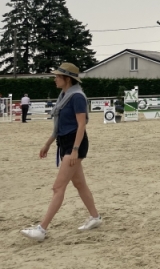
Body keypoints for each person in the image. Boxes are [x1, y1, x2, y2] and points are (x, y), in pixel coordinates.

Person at [21, 63, 102, 242]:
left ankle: (41, 229)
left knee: (58, 187)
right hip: (64, 143)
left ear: (67, 78)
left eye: (57, 76)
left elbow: (81, 125)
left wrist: (74, 150)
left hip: (75, 144)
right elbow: (60, 126)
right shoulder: (64, 95)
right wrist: (48, 144)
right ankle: (95, 217)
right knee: (80, 184)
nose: (54, 79)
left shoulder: (77, 97)